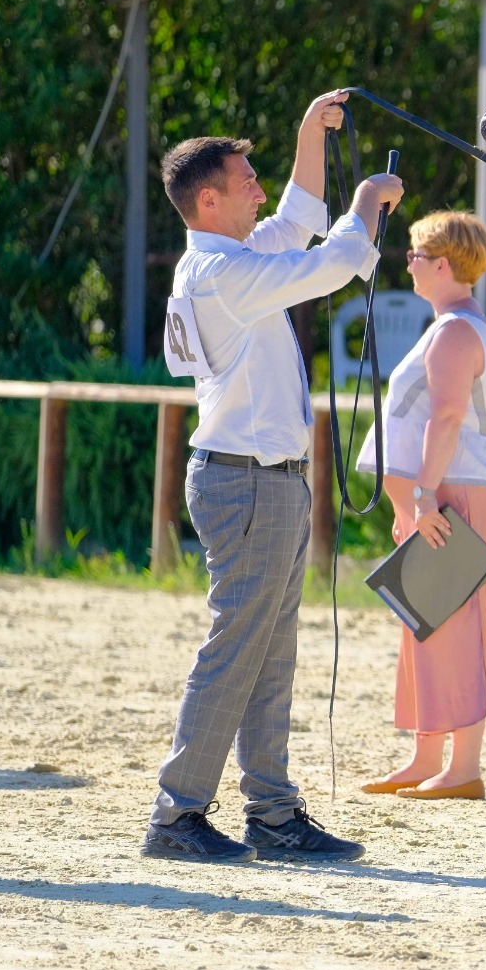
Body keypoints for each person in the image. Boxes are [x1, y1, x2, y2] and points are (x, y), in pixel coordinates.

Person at [144, 94, 403, 863]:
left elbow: (294, 222)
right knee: (238, 649)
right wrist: (365, 206)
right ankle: (178, 812)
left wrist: (307, 135)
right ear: (209, 200)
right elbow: (330, 262)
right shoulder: (224, 272)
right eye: (246, 180)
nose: (259, 190)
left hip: (265, 479)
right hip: (248, 481)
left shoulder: (227, 261)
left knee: (268, 652)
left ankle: (272, 813)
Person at [356, 211, 486, 801]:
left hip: (456, 490)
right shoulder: (452, 326)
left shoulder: (456, 331)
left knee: (453, 622)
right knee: (426, 618)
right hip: (447, 490)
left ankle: (464, 768)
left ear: (444, 265)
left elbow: (448, 416)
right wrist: (413, 499)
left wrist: (424, 493)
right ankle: (427, 757)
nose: (408, 263)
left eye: (416, 255)